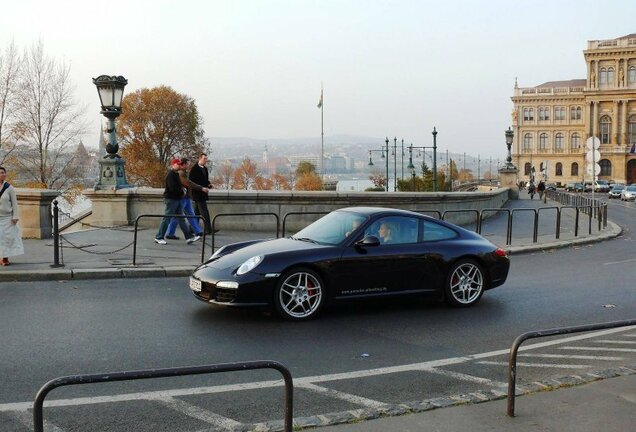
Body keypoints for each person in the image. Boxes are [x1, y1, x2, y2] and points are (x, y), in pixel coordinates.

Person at [154, 159, 200, 245]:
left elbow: (178, 187)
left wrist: (181, 191)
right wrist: (182, 192)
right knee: (167, 218)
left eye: (179, 164)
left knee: (181, 219)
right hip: (172, 199)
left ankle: (189, 237)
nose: (179, 166)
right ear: (173, 165)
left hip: (177, 199)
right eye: (178, 164)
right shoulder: (170, 175)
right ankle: (159, 237)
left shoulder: (175, 174)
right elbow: (172, 189)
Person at [165, 158, 207, 240]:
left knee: (190, 215)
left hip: (186, 197)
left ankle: (198, 231)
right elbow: (188, 183)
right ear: (183, 165)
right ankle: (170, 233)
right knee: (178, 216)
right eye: (187, 164)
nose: (188, 165)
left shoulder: (183, 172)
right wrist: (201, 188)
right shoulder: (181, 173)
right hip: (183, 197)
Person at [0, 166, 24, 265]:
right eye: (1, 172)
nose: (3, 174)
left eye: (3, 172)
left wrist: (15, 217)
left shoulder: (9, 188)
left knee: (7, 239)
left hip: (7, 218)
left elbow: (14, 203)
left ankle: (5, 258)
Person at [189, 153, 214, 234]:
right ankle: (208, 230)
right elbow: (191, 182)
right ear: (199, 158)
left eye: (206, 159)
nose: (206, 160)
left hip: (203, 193)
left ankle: (192, 229)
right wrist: (201, 188)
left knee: (196, 213)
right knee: (204, 212)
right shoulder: (194, 169)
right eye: (204, 158)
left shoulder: (205, 169)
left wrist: (209, 184)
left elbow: (205, 180)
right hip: (198, 194)